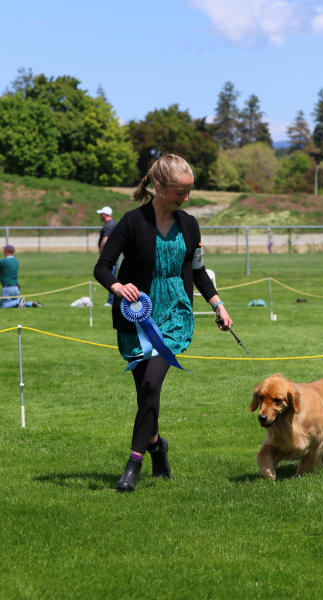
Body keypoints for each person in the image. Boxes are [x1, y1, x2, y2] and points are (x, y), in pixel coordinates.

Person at [94, 154, 233, 492]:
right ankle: (157, 446)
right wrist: (117, 286)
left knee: (151, 385)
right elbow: (102, 266)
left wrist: (218, 304)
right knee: (145, 393)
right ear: (159, 186)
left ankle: (132, 466)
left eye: (189, 191)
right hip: (136, 316)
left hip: (174, 314)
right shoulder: (131, 222)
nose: (186, 198)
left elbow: (197, 270)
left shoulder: (190, 224)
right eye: (180, 192)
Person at [97, 206, 117, 306]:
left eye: (101, 214)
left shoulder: (108, 225)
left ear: (105, 214)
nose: (100, 216)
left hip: (109, 256)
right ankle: (112, 299)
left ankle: (111, 300)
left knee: (110, 277)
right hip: (113, 255)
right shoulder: (113, 223)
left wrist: (101, 251)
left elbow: (105, 239)